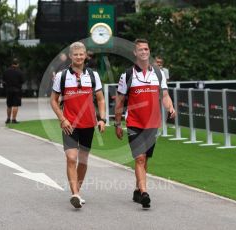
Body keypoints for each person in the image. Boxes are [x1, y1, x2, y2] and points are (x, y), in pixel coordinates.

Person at [114, 39, 176, 209]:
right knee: (139, 158)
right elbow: (119, 101)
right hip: (134, 122)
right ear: (135, 53)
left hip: (153, 123)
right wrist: (117, 124)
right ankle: (144, 193)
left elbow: (164, 95)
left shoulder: (158, 74)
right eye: (140, 49)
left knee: (145, 159)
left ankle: (137, 189)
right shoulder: (127, 75)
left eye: (146, 49)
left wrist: (170, 106)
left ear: (149, 51)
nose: (143, 52)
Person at [50, 42, 106, 209]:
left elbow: (101, 99)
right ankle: (74, 193)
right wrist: (62, 118)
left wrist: (102, 119)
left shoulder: (93, 75)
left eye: (82, 54)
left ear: (85, 56)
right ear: (70, 56)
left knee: (83, 160)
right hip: (69, 124)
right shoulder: (61, 76)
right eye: (76, 54)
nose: (79, 57)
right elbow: (53, 101)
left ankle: (77, 191)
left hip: (88, 124)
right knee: (71, 158)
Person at [3, 58, 24, 124]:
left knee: (9, 105)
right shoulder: (20, 72)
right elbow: (22, 81)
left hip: (8, 89)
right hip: (17, 90)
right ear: (17, 64)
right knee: (15, 105)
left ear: (12, 63)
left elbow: (4, 80)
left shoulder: (6, 71)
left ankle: (8, 119)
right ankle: (14, 119)